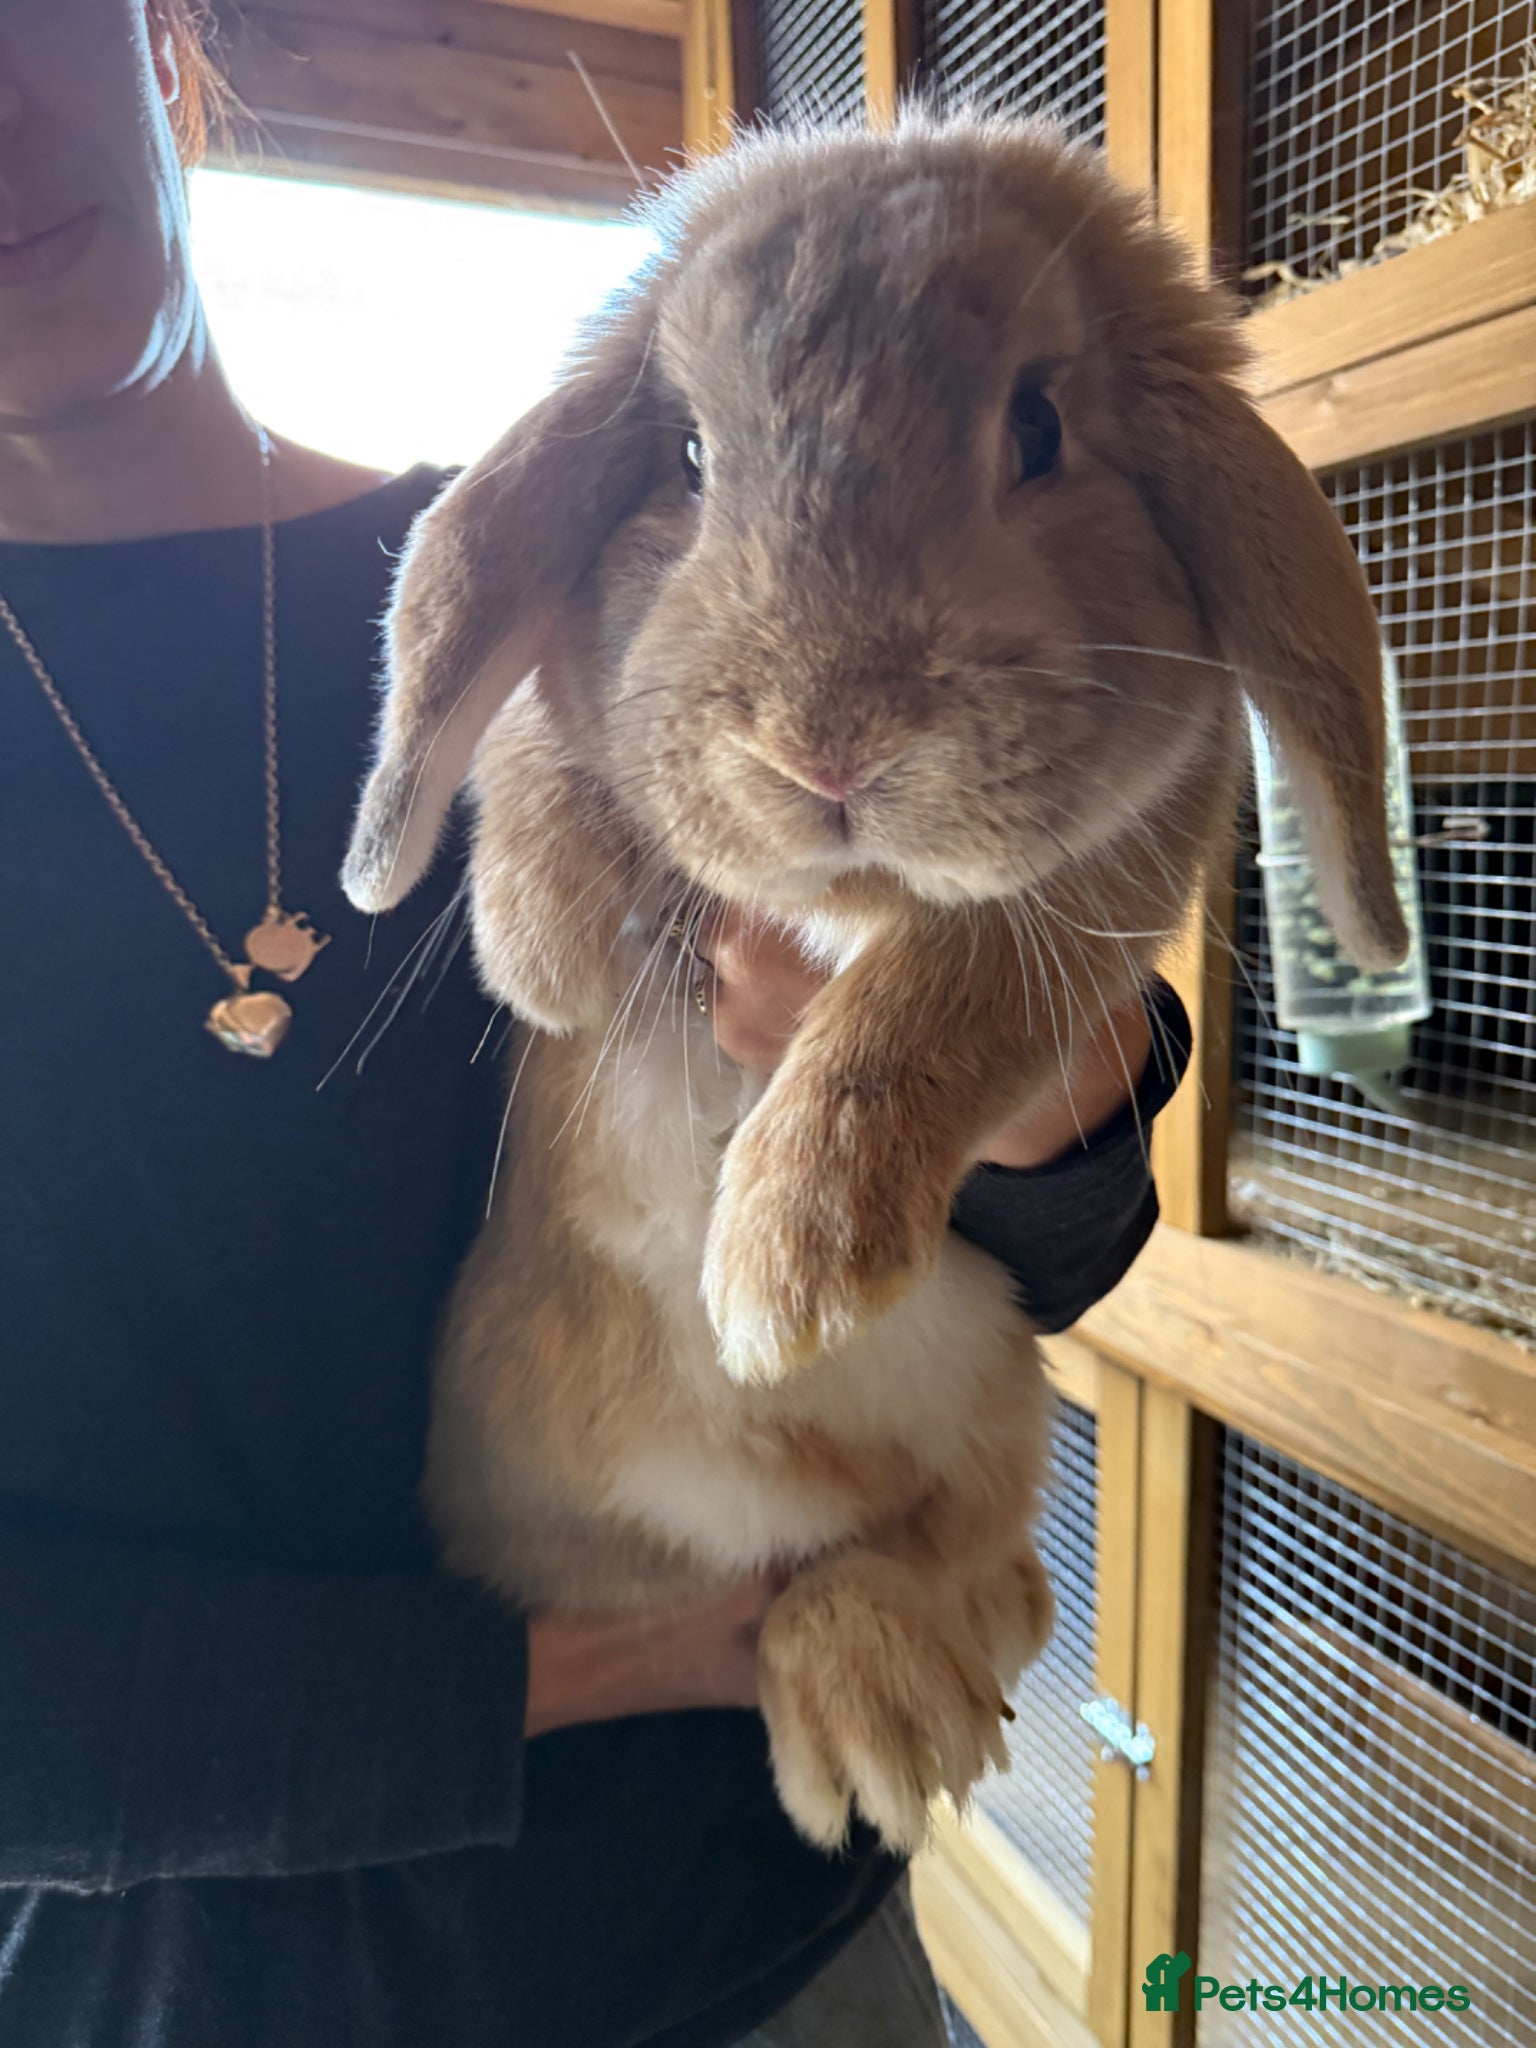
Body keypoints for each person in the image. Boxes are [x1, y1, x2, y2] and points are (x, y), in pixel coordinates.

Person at [0, 4, 1191, 2044]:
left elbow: (1026, 1235)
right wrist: (580, 1665)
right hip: (168, 1979)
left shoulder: (614, 554)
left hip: (747, 1929)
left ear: (157, 38)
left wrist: (1051, 1102)